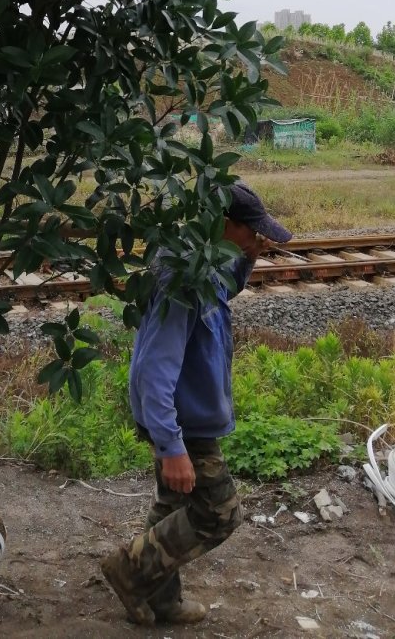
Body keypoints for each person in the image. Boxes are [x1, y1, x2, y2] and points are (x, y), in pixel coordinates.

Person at [101, 181, 292, 626]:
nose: (256, 238)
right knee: (219, 512)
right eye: (250, 233)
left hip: (184, 418)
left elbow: (223, 289)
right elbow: (154, 369)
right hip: (181, 422)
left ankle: (162, 601)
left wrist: (248, 257)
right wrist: (172, 447)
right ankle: (129, 571)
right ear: (225, 224)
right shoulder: (182, 279)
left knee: (173, 507)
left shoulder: (205, 265)